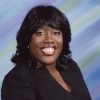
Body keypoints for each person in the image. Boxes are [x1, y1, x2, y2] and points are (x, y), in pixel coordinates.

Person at [1, 5, 92, 100]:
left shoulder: (71, 66)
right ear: (27, 39)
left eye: (56, 33)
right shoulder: (16, 80)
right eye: (40, 33)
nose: (49, 40)